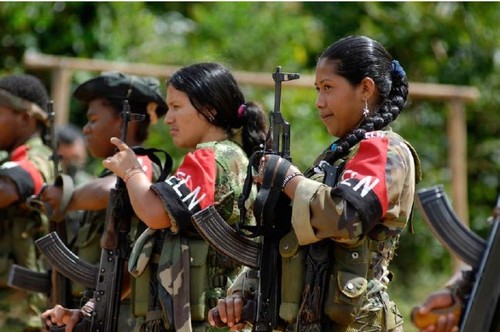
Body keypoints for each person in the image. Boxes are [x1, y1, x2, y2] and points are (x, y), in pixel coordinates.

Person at [208, 35, 422, 332]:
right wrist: (245, 295)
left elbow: (347, 218)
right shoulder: (338, 157)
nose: (319, 102)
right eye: (317, 90)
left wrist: (290, 180)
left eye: (328, 88)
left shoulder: (383, 149)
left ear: (365, 89)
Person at [43, 62, 268, 331]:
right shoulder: (228, 156)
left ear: (209, 109)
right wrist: (89, 310)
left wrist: (131, 172)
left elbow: (155, 213)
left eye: (177, 107)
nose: (169, 118)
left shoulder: (211, 158)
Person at [39, 71, 168, 331]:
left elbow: (110, 190)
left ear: (125, 121)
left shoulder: (139, 165)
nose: (85, 128)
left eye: (93, 119)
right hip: (93, 309)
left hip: (119, 315)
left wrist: (66, 197)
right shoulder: (108, 172)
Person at [0, 74, 55, 331]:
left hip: (21, 314)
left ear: (25, 118)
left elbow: (8, 189)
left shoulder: (38, 157)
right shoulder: (9, 159)